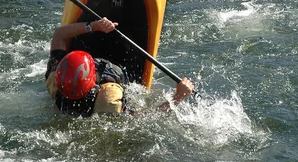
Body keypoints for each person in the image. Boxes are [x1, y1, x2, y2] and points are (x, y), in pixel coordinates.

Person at [45, 17, 194, 116]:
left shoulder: (56, 83)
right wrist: (178, 97)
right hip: (122, 70)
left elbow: (59, 34)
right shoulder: (108, 103)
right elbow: (144, 117)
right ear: (92, 82)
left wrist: (94, 26)